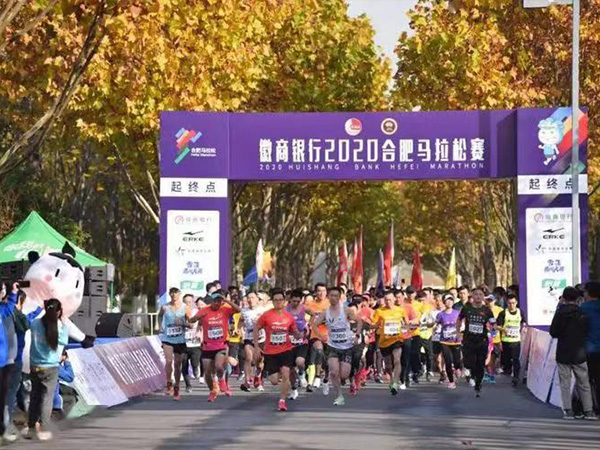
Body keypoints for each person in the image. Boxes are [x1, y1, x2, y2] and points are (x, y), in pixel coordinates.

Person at [22, 298, 68, 441]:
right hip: (51, 367)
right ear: (59, 311)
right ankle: (43, 428)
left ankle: (31, 427)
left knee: (35, 397)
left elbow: (27, 322)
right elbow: (64, 341)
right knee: (47, 398)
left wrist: (37, 311)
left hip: (35, 365)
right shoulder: (59, 326)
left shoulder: (36, 323)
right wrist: (64, 323)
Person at [550, 286, 597, 420]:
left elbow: (553, 332)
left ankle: (568, 410)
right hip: (579, 352)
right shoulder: (582, 313)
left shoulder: (560, 313)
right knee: (584, 382)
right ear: (577, 298)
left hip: (563, 352)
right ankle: (588, 411)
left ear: (564, 298)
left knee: (565, 383)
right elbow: (587, 330)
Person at [253, 288, 301, 412]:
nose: (278, 302)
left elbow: (294, 330)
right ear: (272, 301)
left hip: (286, 350)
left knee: (285, 373)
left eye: (280, 300)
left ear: (284, 301)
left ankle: (282, 401)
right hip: (270, 352)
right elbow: (256, 328)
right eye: (275, 300)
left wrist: (298, 334)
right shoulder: (266, 315)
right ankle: (285, 380)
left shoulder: (289, 317)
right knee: (274, 381)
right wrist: (256, 347)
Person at [313, 287, 362, 406]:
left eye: (336, 296)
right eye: (331, 295)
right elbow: (314, 325)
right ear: (328, 297)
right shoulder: (325, 312)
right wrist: (320, 335)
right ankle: (339, 395)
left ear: (339, 297)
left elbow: (359, 321)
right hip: (332, 346)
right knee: (334, 372)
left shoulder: (346, 310)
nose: (333, 298)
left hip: (346, 347)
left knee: (344, 375)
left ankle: (344, 380)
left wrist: (357, 335)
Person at [189, 290, 241, 402]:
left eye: (219, 301)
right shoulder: (205, 310)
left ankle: (221, 379)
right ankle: (212, 390)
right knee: (207, 372)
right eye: (215, 301)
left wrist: (227, 300)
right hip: (207, 346)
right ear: (211, 301)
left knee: (219, 366)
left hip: (221, 345)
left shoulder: (225, 309)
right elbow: (191, 320)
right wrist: (197, 318)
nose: (217, 303)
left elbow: (238, 310)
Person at [5, 289, 42, 441]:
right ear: (21, 301)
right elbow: (27, 322)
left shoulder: (4, 313)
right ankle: (6, 426)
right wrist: (39, 309)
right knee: (10, 395)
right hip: (14, 360)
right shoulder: (18, 316)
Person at [457, 288, 495, 397]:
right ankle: (472, 374)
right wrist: (458, 331)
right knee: (469, 362)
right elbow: (459, 319)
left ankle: (478, 384)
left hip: (482, 340)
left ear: (483, 297)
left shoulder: (487, 310)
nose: (478, 296)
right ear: (472, 296)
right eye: (476, 294)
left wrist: (493, 328)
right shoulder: (467, 308)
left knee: (480, 363)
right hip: (469, 340)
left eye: (480, 294)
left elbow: (493, 322)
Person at [158, 287, 192, 401]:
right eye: (171, 294)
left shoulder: (185, 308)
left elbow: (191, 324)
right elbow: (159, 315)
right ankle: (169, 383)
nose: (173, 296)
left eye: (175, 294)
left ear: (179, 294)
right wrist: (160, 326)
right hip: (167, 338)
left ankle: (176, 387)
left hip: (180, 340)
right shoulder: (165, 307)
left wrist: (182, 323)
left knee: (178, 365)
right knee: (168, 361)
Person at [371, 290, 406, 395]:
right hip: (384, 341)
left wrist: (406, 329)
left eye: (390, 299)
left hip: (397, 339)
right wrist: (375, 326)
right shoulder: (379, 311)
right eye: (386, 300)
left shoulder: (400, 310)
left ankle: (395, 382)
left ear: (394, 299)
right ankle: (391, 382)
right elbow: (373, 324)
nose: (388, 302)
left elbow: (406, 323)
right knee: (388, 366)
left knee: (397, 360)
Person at [0, 283, 18, 443]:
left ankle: (1, 431)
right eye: (3, 289)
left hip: (4, 362)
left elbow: (9, 308)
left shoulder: (1, 310)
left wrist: (14, 293)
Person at [497, 294, 526, 387]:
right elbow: (497, 326)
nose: (511, 305)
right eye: (509, 303)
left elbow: (523, 322)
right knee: (507, 359)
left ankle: (516, 377)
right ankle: (508, 370)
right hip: (505, 340)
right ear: (507, 303)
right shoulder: (503, 313)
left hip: (516, 340)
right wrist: (503, 329)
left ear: (516, 303)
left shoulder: (520, 312)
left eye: (513, 303)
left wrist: (521, 328)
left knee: (515, 359)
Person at [286, 289, 310, 399]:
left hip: (301, 340)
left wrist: (307, 326)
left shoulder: (304, 309)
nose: (296, 303)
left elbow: (314, 315)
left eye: (298, 301)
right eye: (294, 301)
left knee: (300, 361)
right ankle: (294, 388)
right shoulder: (285, 310)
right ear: (289, 300)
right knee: (290, 368)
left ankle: (302, 373)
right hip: (288, 341)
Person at [239, 292, 266, 392]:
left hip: (261, 338)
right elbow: (241, 321)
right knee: (248, 358)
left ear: (258, 300)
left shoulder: (263, 311)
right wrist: (240, 330)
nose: (250, 300)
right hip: (249, 337)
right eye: (249, 298)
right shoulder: (244, 311)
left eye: (253, 297)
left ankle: (257, 377)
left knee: (259, 363)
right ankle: (247, 382)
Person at [305, 284, 329, 392]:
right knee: (318, 351)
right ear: (315, 292)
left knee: (327, 360)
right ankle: (315, 378)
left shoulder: (331, 303)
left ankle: (325, 376)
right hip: (315, 333)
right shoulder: (310, 304)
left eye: (323, 291)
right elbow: (304, 313)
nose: (321, 293)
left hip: (329, 334)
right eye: (319, 291)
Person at [581, 281, 600, 414]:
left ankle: (592, 406)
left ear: (588, 293)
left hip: (590, 349)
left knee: (589, 379)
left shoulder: (584, 308)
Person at [437, 294, 462, 389]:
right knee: (448, 361)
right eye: (447, 300)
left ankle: (458, 368)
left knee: (457, 360)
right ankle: (451, 381)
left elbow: (462, 323)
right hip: (444, 341)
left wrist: (461, 332)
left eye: (451, 300)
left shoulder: (457, 313)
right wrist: (431, 325)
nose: (449, 302)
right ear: (444, 302)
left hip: (456, 341)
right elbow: (436, 324)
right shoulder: (441, 314)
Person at [182, 294, 202, 393]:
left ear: (193, 303)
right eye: (186, 302)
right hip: (183, 343)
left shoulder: (197, 312)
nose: (188, 304)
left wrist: (200, 333)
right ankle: (188, 385)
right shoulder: (179, 313)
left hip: (195, 343)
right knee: (184, 365)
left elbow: (201, 324)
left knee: (195, 362)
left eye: (189, 302)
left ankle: (195, 368)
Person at [484, 294, 503, 384]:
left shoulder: (500, 310)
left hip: (496, 338)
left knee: (495, 358)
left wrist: (498, 329)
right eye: (488, 300)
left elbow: (501, 323)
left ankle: (491, 373)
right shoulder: (484, 309)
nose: (489, 302)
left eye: (491, 300)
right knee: (487, 357)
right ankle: (489, 374)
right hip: (486, 338)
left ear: (495, 301)